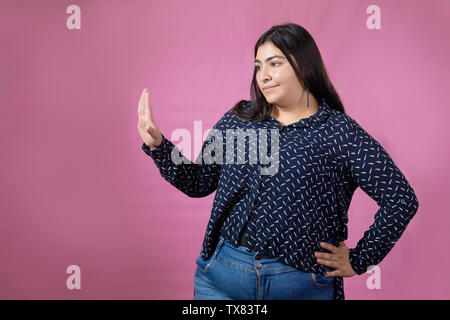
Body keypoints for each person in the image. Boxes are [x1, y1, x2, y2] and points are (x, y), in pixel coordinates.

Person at [137, 23, 419, 300]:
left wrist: (359, 260)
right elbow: (198, 182)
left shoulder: (339, 133)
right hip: (220, 280)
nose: (263, 76)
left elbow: (401, 199)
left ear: (304, 65)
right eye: (258, 66)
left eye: (274, 64)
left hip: (299, 285)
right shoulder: (240, 120)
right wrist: (158, 145)